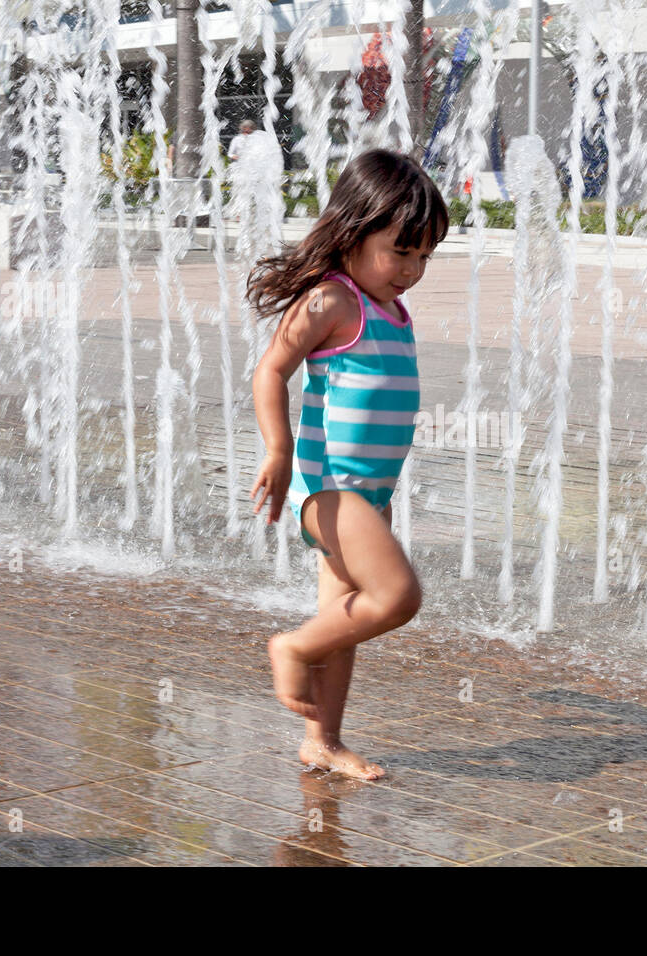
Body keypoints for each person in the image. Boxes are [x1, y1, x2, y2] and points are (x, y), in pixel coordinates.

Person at [246, 149, 448, 779]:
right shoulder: (332, 300)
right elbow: (271, 369)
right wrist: (278, 450)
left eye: (424, 256)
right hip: (331, 493)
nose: (412, 270)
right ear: (353, 231)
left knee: (347, 618)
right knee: (396, 595)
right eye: (400, 252)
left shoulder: (390, 306)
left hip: (369, 495)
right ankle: (292, 645)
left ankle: (322, 742)